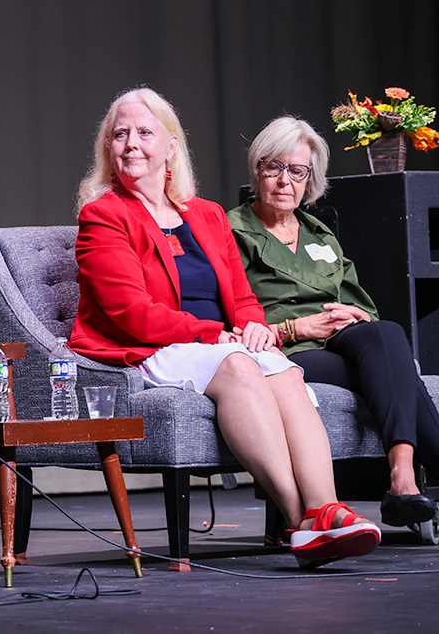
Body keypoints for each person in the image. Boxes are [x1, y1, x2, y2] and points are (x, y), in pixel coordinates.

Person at [68, 87, 380, 568]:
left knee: (283, 370)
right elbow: (129, 312)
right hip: (150, 345)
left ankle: (325, 509)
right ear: (107, 146)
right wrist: (215, 335)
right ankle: (298, 521)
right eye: (120, 134)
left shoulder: (208, 214)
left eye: (144, 132)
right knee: (238, 365)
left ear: (170, 146)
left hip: (217, 341)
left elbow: (243, 298)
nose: (131, 144)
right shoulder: (103, 215)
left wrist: (254, 327)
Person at [228, 116, 439, 527]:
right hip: (284, 351)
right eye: (274, 167)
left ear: (310, 179)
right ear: (257, 170)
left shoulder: (318, 233)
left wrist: (358, 314)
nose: (285, 181)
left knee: (386, 333)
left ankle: (402, 475)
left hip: (338, 337)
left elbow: (358, 300)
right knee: (395, 373)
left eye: (297, 171)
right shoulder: (231, 231)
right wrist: (296, 328)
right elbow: (229, 316)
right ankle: (403, 484)